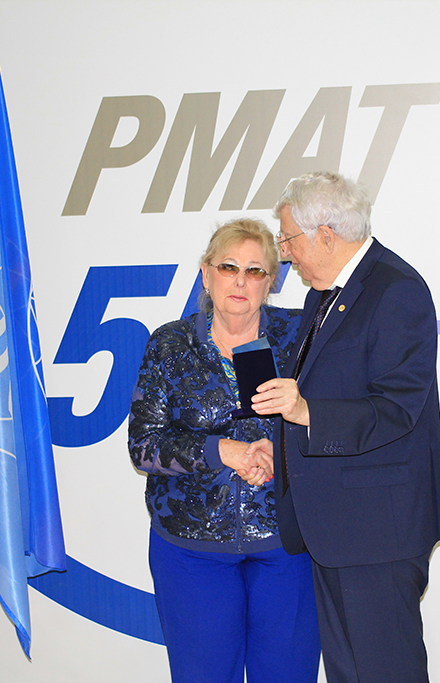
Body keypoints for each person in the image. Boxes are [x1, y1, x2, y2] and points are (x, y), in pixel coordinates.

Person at [252, 172, 440, 683]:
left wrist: (308, 412)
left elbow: (398, 407)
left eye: (288, 239)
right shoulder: (325, 294)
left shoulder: (396, 291)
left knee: (386, 672)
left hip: (378, 532)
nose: (284, 254)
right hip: (335, 530)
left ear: (325, 235)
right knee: (349, 673)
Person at [128, 217, 320, 683]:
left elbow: (333, 418)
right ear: (205, 274)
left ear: (272, 282)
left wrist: (283, 451)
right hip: (191, 550)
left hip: (289, 544)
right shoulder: (170, 343)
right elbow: (144, 446)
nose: (240, 281)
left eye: (255, 271)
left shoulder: (302, 336)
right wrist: (222, 451)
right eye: (229, 267)